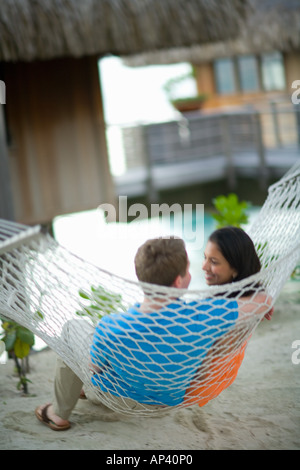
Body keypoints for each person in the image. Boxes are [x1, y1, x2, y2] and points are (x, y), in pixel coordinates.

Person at [35, 232, 273, 430]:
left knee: (74, 327)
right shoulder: (207, 316)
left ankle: (58, 413)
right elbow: (262, 300)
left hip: (114, 395)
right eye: (189, 269)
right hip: (169, 400)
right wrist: (264, 305)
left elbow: (94, 367)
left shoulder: (112, 325)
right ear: (179, 282)